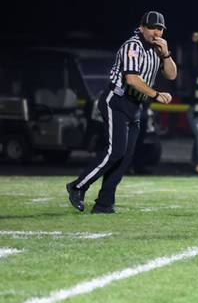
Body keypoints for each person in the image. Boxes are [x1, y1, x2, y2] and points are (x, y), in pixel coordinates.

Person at [66, 11, 177, 214]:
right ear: (142, 27)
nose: (157, 32)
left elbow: (171, 74)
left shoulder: (157, 48)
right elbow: (132, 79)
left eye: (160, 28)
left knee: (125, 157)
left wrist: (166, 54)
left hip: (136, 104)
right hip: (117, 99)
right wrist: (155, 95)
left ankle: (104, 203)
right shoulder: (132, 45)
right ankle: (78, 186)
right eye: (152, 27)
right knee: (115, 151)